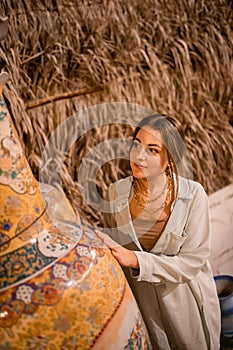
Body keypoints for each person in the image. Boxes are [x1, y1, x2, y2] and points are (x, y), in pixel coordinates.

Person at [96, 114, 221, 350]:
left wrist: (137, 260)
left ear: (170, 158)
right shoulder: (115, 194)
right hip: (143, 308)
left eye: (152, 150)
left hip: (185, 304)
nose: (139, 156)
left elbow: (191, 262)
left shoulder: (193, 196)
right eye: (136, 145)